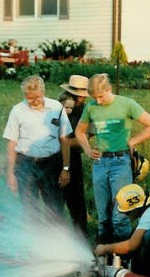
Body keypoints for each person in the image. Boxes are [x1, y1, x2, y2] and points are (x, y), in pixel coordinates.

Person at [75, 73, 150, 245]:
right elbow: (79, 131)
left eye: (100, 96)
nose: (98, 101)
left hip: (121, 162)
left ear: (109, 89)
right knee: (103, 214)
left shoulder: (127, 104)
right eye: (94, 98)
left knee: (120, 213)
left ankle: (123, 254)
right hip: (100, 163)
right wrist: (87, 150)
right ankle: (103, 255)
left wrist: (133, 141)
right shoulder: (91, 107)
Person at [3, 75, 72, 218]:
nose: (34, 102)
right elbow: (12, 143)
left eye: (37, 98)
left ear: (43, 92)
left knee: (54, 207)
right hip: (26, 163)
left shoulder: (56, 107)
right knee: (29, 208)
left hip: (51, 163)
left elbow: (64, 139)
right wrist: (10, 173)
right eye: (29, 98)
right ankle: (34, 238)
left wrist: (65, 168)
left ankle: (55, 237)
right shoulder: (17, 111)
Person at [94, 184, 150, 277]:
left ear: (135, 208)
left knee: (148, 237)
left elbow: (131, 245)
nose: (126, 215)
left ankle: (145, 276)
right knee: (137, 235)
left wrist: (104, 248)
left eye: (127, 212)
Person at [59, 75, 91, 235]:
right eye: (75, 94)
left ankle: (81, 235)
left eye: (81, 96)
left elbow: (84, 140)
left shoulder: (87, 112)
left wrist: (63, 143)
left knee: (76, 200)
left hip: (73, 157)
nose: (79, 98)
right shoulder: (58, 106)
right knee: (55, 198)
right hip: (53, 157)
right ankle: (55, 234)